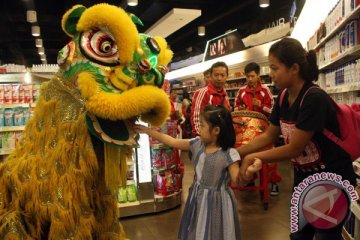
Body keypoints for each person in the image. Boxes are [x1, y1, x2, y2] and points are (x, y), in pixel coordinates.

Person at [238, 38, 357, 240]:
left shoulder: (314, 98)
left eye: (275, 68)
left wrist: (252, 157)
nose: (270, 74)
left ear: (294, 68)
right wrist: (237, 151)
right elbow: (269, 134)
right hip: (303, 177)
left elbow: (294, 148)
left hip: (331, 178)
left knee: (326, 235)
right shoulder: (283, 97)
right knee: (298, 235)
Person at [134, 105, 261, 240]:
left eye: (202, 125)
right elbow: (173, 141)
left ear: (216, 130)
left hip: (218, 203)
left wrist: (249, 172)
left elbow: (237, 179)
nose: (198, 129)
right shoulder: (196, 144)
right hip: (197, 198)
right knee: (198, 228)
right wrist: (149, 131)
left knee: (217, 231)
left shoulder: (229, 154)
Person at [234, 62, 281, 195]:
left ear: (258, 75)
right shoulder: (241, 91)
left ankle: (273, 182)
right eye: (248, 76)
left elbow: (272, 110)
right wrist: (241, 109)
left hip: (263, 128)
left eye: (252, 76)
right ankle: (249, 178)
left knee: (269, 153)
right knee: (243, 149)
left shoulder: (265, 90)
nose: (250, 79)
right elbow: (235, 108)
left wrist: (261, 106)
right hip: (246, 128)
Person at [191, 61, 231, 136]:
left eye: (222, 75)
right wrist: (200, 137)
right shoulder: (202, 92)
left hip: (221, 137)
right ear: (211, 76)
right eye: (216, 75)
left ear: (227, 76)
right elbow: (196, 118)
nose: (219, 78)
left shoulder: (225, 93)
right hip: (207, 139)